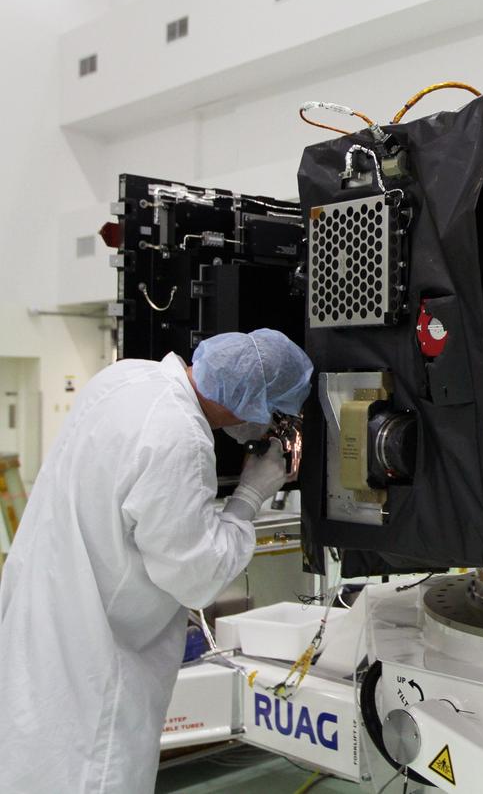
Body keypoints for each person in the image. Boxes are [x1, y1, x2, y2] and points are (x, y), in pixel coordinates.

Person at [0, 329, 313, 793]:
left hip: (43, 624)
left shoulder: (126, 378)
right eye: (274, 413)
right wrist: (250, 495)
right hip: (98, 659)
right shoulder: (180, 437)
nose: (269, 426)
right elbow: (197, 576)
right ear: (250, 400)